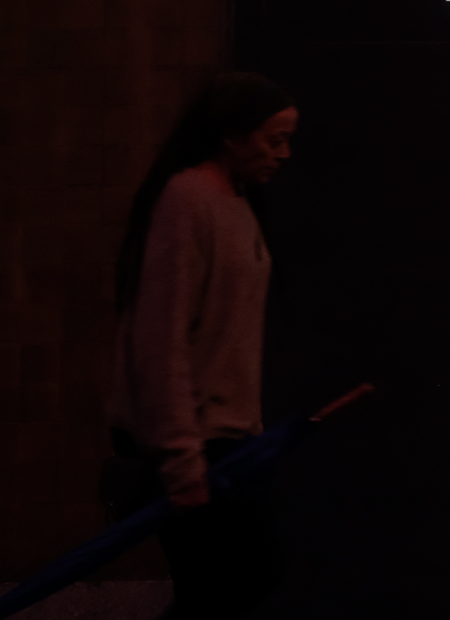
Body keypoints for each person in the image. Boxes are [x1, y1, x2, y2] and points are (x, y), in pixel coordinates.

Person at [109, 73, 298, 620]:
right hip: (193, 436)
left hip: (226, 433)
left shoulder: (237, 202)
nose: (283, 154)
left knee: (237, 580)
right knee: (226, 583)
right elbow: (160, 337)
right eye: (273, 138)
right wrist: (181, 454)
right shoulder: (187, 199)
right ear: (231, 136)